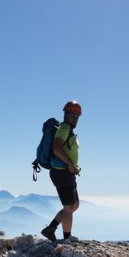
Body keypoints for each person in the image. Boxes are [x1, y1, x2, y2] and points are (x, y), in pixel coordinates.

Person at [41, 101, 81, 243]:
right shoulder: (64, 128)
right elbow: (56, 148)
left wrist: (73, 166)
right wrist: (70, 164)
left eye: (77, 117)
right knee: (69, 207)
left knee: (74, 205)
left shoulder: (68, 130)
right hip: (62, 173)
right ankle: (65, 238)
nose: (74, 119)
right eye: (72, 116)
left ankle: (53, 230)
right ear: (65, 115)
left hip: (66, 173)